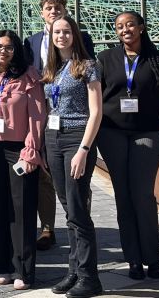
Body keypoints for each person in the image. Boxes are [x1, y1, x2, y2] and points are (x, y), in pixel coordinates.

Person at [96, 11, 159, 281]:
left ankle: (153, 258)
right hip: (112, 134)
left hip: (147, 133)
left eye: (130, 24)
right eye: (119, 26)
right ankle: (133, 260)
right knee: (123, 197)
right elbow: (97, 98)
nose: (125, 29)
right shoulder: (105, 59)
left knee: (143, 195)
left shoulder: (158, 60)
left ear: (141, 27)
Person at [0, 31, 45, 290]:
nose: (3, 51)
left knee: (21, 211)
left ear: (17, 50)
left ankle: (21, 270)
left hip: (19, 149)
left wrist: (31, 151)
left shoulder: (29, 77)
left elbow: (37, 117)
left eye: (9, 47)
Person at [23, 0, 94, 251]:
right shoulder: (31, 42)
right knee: (53, 184)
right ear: (42, 13)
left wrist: (85, 147)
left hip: (74, 128)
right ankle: (51, 230)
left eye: (58, 8)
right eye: (48, 8)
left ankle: (84, 265)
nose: (53, 11)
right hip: (47, 123)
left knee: (75, 197)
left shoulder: (84, 58)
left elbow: (92, 100)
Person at [42, 16, 104, 298]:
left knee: (78, 208)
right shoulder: (53, 68)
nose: (61, 36)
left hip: (76, 139)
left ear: (74, 35)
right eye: (57, 32)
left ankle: (90, 278)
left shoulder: (88, 66)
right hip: (53, 139)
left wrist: (84, 149)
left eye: (66, 32)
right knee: (68, 209)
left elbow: (96, 112)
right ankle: (74, 271)